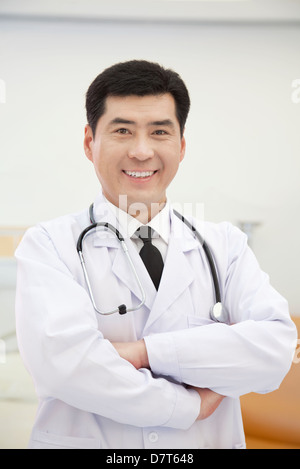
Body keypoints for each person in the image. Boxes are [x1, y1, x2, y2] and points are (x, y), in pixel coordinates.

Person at [15, 60, 297, 449]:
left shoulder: (225, 247)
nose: (142, 151)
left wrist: (144, 353)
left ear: (181, 146)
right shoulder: (49, 245)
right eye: (122, 131)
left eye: (160, 132)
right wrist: (190, 406)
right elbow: (68, 368)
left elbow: (274, 352)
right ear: (88, 142)